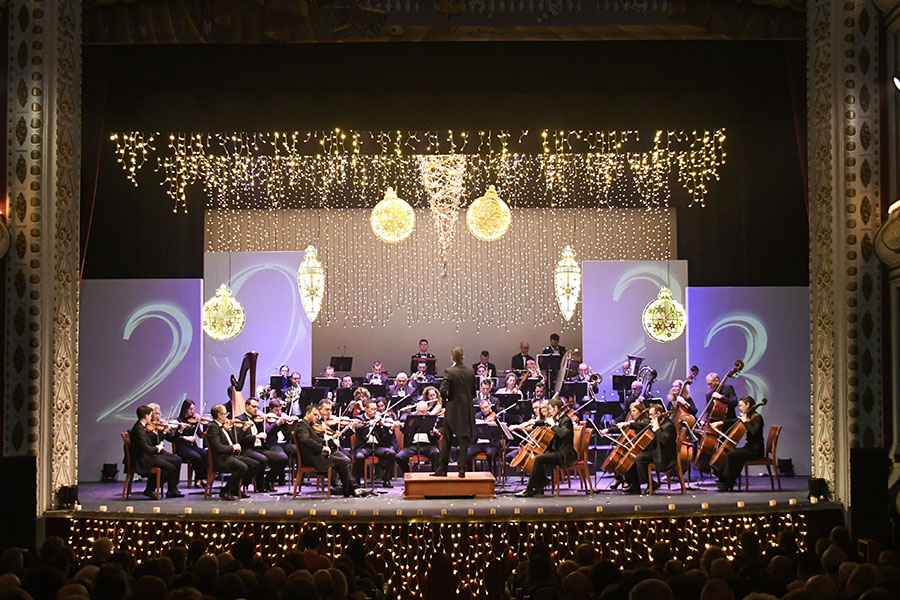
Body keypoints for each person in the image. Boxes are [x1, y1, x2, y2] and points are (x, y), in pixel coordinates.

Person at [515, 396, 576, 497]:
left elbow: (563, 434)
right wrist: (532, 422)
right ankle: (540, 485)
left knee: (539, 458)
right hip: (555, 450)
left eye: (550, 409)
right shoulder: (556, 418)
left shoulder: (566, 420)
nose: (549, 411)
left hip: (563, 455)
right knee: (539, 455)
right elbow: (543, 422)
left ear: (556, 408)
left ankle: (529, 489)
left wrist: (553, 425)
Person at [294, 405, 357, 497]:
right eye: (314, 415)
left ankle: (350, 489)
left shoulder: (309, 425)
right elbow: (306, 440)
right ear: (307, 413)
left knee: (343, 460)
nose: (317, 417)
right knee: (342, 461)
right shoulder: (301, 424)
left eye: (317, 415)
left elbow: (320, 441)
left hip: (317, 456)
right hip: (313, 458)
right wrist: (322, 448)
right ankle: (350, 489)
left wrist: (331, 440)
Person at [434, 346, 477, 477]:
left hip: (452, 409)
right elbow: (474, 392)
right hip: (466, 409)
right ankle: (462, 470)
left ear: (452, 358)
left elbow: (442, 390)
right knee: (463, 440)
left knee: (447, 439)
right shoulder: (470, 371)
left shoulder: (449, 371)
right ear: (463, 358)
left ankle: (442, 469)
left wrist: (448, 401)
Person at [206, 404, 260, 501]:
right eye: (225, 414)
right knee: (242, 467)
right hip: (221, 459)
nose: (227, 416)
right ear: (219, 415)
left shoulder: (222, 427)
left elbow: (231, 440)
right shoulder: (213, 428)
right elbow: (218, 447)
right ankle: (225, 490)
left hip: (229, 456)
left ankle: (235, 488)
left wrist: (242, 430)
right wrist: (233, 447)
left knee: (255, 464)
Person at [711, 396, 764, 491]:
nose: (740, 408)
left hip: (756, 450)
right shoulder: (748, 417)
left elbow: (754, 432)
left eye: (741, 405)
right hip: (749, 448)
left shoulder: (757, 418)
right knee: (733, 454)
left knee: (732, 454)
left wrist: (745, 422)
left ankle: (728, 483)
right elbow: (734, 421)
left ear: (748, 405)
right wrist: (720, 422)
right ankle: (729, 483)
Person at [129, 405, 183, 499]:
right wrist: (158, 447)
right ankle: (150, 489)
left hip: (149, 456)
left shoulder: (142, 427)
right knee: (170, 468)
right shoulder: (138, 430)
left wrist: (163, 433)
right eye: (150, 415)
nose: (151, 417)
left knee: (176, 460)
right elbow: (147, 449)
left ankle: (171, 489)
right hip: (143, 459)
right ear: (146, 416)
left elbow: (152, 442)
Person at [236, 398, 289, 492]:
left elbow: (267, 432)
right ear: (247, 406)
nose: (256, 409)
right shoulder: (240, 419)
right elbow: (240, 438)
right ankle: (260, 486)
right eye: (253, 407)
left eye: (257, 407)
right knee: (263, 459)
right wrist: (256, 437)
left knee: (282, 459)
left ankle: (267, 480)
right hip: (248, 449)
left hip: (261, 448)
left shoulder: (259, 419)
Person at [622, 403, 676, 495]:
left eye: (651, 414)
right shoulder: (656, 421)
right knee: (635, 456)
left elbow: (664, 440)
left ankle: (650, 483)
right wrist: (627, 424)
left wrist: (657, 428)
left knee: (639, 458)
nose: (649, 417)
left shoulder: (668, 425)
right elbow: (641, 425)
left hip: (664, 455)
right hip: (656, 451)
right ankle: (636, 485)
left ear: (658, 414)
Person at [351, 398, 398, 487]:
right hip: (364, 446)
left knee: (391, 453)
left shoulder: (378, 419)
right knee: (359, 457)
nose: (374, 412)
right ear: (366, 409)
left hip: (376, 447)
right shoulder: (359, 418)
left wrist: (387, 428)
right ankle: (356, 480)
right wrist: (369, 423)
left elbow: (384, 437)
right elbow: (357, 426)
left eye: (375, 409)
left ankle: (386, 479)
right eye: (372, 409)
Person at [396, 401, 441, 473]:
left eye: (423, 412)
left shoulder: (432, 418)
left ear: (427, 410)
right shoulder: (411, 417)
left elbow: (437, 437)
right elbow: (404, 431)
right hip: (413, 445)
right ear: (416, 409)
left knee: (436, 453)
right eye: (419, 411)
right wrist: (403, 426)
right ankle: (407, 473)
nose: (421, 414)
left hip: (428, 445)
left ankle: (434, 475)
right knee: (399, 457)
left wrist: (435, 434)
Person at [172, 399, 208, 487]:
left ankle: (200, 478)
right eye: (191, 409)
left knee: (206, 453)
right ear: (185, 409)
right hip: (182, 447)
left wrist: (203, 425)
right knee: (197, 457)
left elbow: (200, 435)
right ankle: (199, 480)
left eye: (193, 409)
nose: (193, 411)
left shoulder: (194, 420)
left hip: (193, 446)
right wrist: (182, 432)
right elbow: (174, 438)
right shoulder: (178, 420)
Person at [264, 398, 296, 484]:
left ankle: (299, 479)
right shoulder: (267, 418)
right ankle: (269, 479)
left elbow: (288, 435)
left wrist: (289, 424)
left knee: (298, 450)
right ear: (270, 409)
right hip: (272, 444)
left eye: (280, 410)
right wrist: (277, 424)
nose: (279, 413)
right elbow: (268, 433)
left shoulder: (282, 416)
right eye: (276, 410)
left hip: (283, 443)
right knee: (282, 457)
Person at [469, 398, 500, 472]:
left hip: (491, 443)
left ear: (490, 406)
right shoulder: (477, 416)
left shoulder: (496, 416)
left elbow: (499, 433)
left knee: (490, 454)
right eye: (482, 408)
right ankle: (474, 473)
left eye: (486, 407)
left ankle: (492, 475)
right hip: (479, 443)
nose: (484, 410)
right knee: (467, 453)